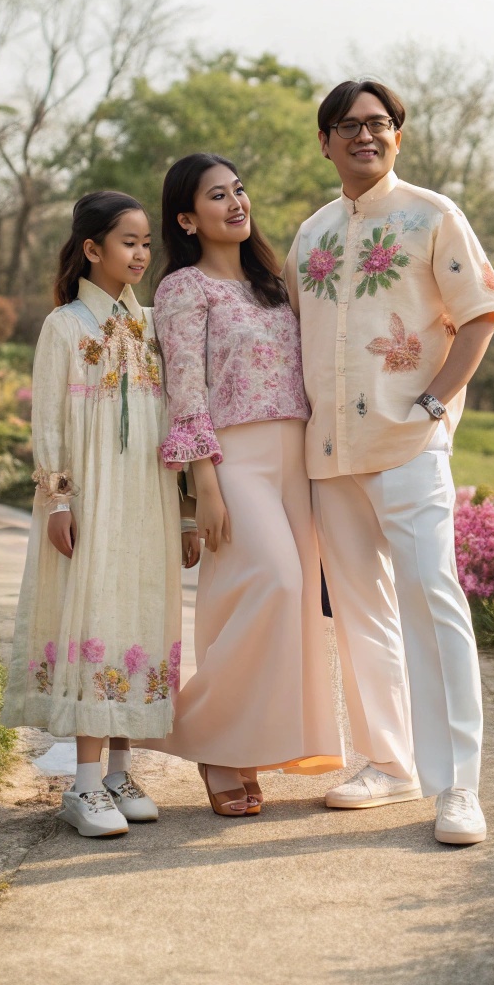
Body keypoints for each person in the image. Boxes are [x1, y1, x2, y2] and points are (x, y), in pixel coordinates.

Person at [284, 80, 494, 845]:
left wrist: (433, 403)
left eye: (379, 124)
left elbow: (481, 313)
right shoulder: (310, 235)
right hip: (329, 452)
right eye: (348, 126)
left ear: (398, 137)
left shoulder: (433, 215)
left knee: (432, 601)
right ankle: (389, 763)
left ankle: (459, 788)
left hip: (409, 442)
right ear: (324, 142)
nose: (364, 136)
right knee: (358, 612)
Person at [152, 153, 343, 816]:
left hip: (296, 455)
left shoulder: (275, 284)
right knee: (274, 583)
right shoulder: (183, 289)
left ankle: (243, 746)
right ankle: (207, 735)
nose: (236, 203)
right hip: (233, 458)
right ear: (186, 217)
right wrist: (202, 481)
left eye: (238, 190)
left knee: (293, 605)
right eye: (216, 196)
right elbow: (185, 387)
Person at [2, 190, 192, 839]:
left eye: (146, 243)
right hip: (91, 495)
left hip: (148, 498)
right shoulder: (65, 327)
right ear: (92, 249)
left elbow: (175, 419)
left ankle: (119, 772)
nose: (141, 254)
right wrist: (58, 498)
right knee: (94, 614)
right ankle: (82, 786)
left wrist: (188, 511)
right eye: (128, 242)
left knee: (135, 612)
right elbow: (49, 420)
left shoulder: (152, 327)